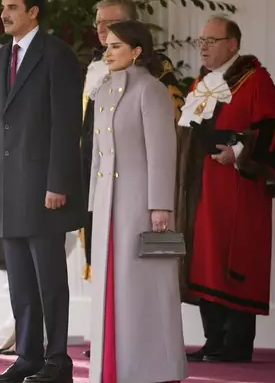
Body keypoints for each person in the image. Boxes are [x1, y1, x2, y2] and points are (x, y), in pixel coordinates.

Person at [178, 16, 275, 363]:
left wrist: (238, 152)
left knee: (235, 261)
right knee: (205, 262)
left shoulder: (256, 81)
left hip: (239, 191)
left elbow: (272, 133)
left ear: (233, 44)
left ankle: (236, 344)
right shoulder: (202, 83)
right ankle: (214, 342)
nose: (205, 47)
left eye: (212, 40)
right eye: (201, 40)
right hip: (204, 189)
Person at [0, 0, 84, 382]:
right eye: (3, 7)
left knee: (50, 283)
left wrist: (57, 181)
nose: (3, 14)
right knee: (20, 282)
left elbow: (66, 124)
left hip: (45, 189)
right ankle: (27, 357)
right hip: (9, 189)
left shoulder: (57, 54)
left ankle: (57, 361)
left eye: (12, 7)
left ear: (33, 12)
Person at [86, 20, 187, 383]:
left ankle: (155, 369)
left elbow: (162, 153)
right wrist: (95, 203)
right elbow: (98, 155)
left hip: (141, 207)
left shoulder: (152, 90)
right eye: (107, 46)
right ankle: (112, 369)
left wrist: (160, 206)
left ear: (137, 51)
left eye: (116, 46)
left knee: (144, 289)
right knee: (112, 288)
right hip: (109, 206)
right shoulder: (103, 89)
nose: (107, 52)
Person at [80, 0, 184, 284]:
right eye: (99, 22)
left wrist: (159, 202)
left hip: (136, 187)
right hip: (100, 181)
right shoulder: (96, 66)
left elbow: (162, 139)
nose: (102, 28)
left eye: (111, 23)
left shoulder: (154, 71)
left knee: (138, 274)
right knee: (105, 269)